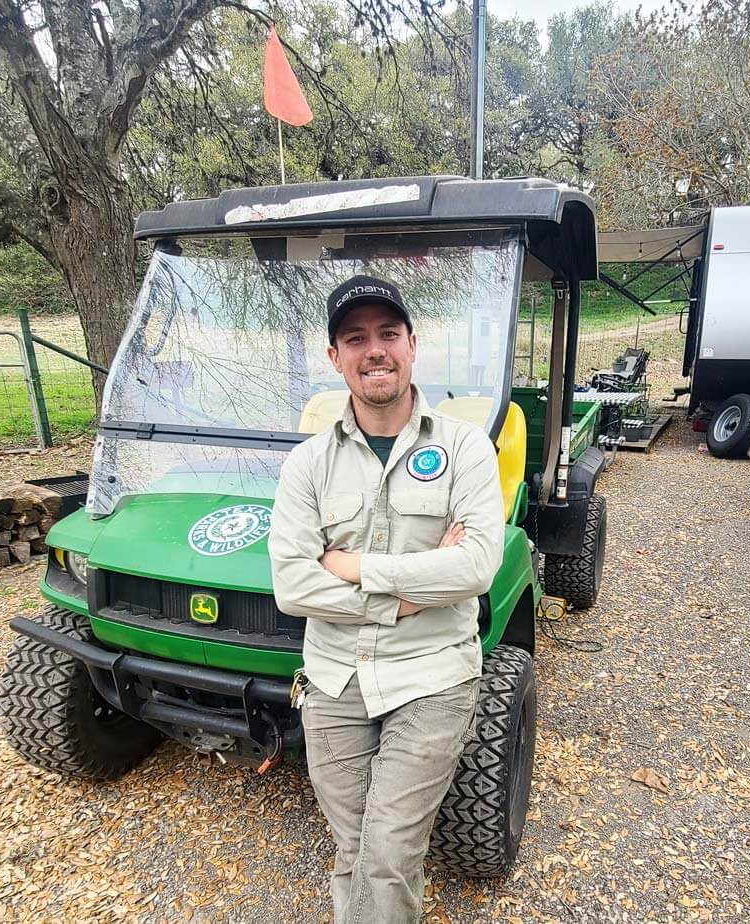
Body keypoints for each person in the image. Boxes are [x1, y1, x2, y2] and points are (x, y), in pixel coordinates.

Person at [268, 273, 505, 923]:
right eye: (356, 337)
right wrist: (403, 593)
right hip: (335, 679)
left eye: (388, 334)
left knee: (389, 852)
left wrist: (351, 565)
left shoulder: (465, 450)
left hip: (431, 675)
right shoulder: (307, 464)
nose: (375, 349)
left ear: (411, 345)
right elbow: (292, 584)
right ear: (334, 357)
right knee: (354, 847)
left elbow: (478, 566)